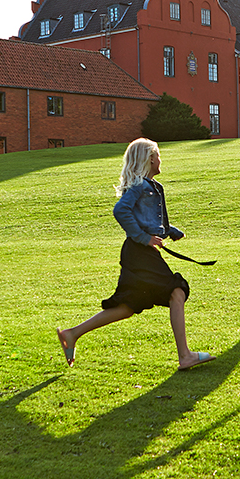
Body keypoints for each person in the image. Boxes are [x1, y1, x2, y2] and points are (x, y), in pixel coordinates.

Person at [58, 138, 215, 370]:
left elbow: (148, 220)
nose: (161, 160)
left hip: (138, 253)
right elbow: (120, 210)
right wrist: (144, 238)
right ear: (150, 159)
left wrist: (170, 231)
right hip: (140, 252)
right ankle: (185, 356)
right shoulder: (141, 186)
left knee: (128, 306)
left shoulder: (152, 186)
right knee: (177, 291)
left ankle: (72, 334)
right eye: (158, 156)